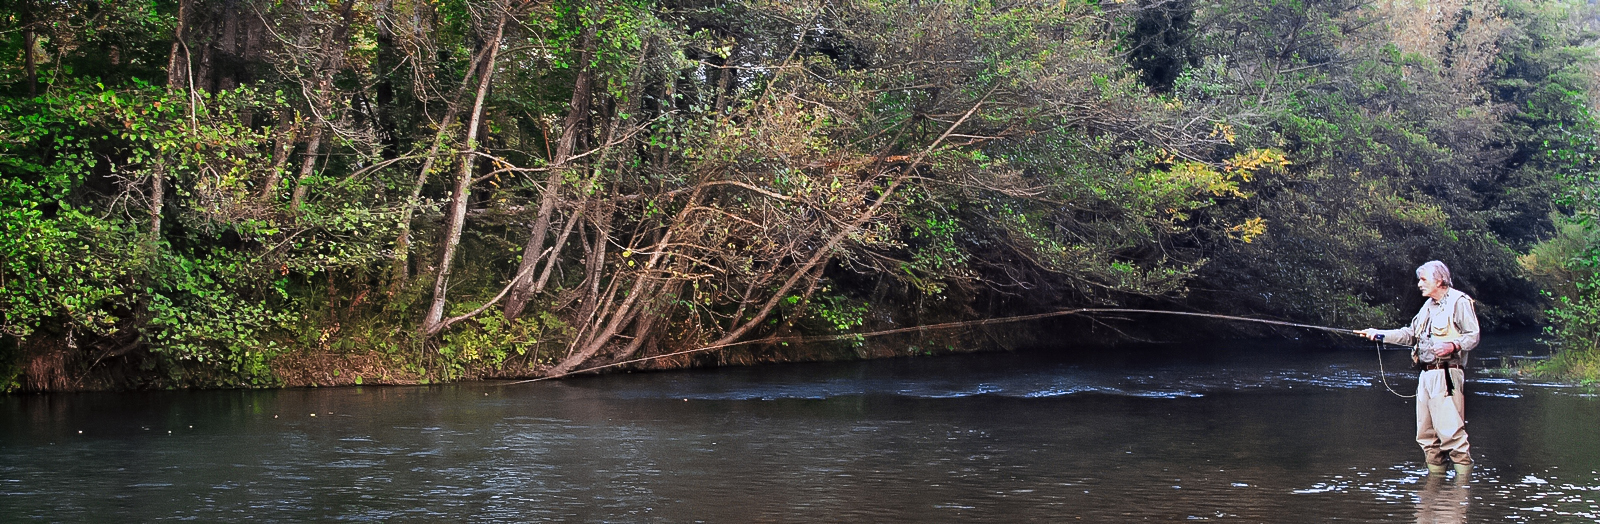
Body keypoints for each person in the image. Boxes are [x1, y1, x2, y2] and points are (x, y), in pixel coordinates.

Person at [1359, 260, 1480, 476]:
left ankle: (1463, 492)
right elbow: (1410, 335)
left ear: (1440, 280)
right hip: (1425, 376)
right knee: (1427, 438)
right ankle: (1434, 490)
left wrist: (1453, 345)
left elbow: (1473, 336)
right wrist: (1379, 334)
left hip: (1447, 374)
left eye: (1423, 279)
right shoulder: (1428, 306)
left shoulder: (1459, 301)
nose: (1419, 285)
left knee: (1452, 435)